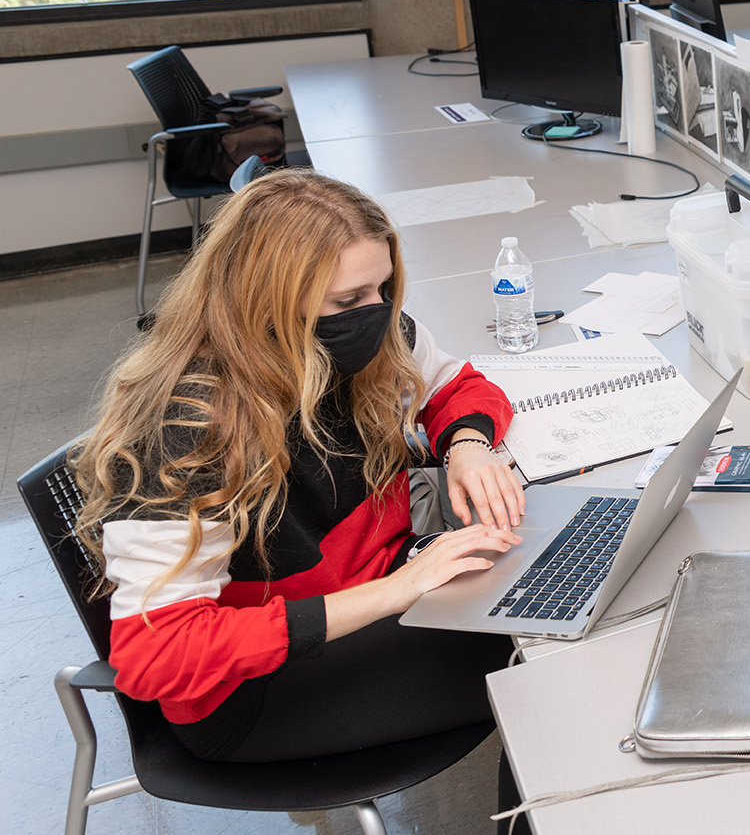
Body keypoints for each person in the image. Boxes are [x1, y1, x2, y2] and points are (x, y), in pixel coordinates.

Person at [73, 170, 527, 766]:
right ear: (266, 300)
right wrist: (396, 591)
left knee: (544, 598)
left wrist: (467, 445)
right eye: (348, 301)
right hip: (254, 694)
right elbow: (157, 655)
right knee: (538, 667)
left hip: (370, 592)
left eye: (383, 289)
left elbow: (457, 387)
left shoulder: (360, 343)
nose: (378, 314)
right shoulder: (188, 434)